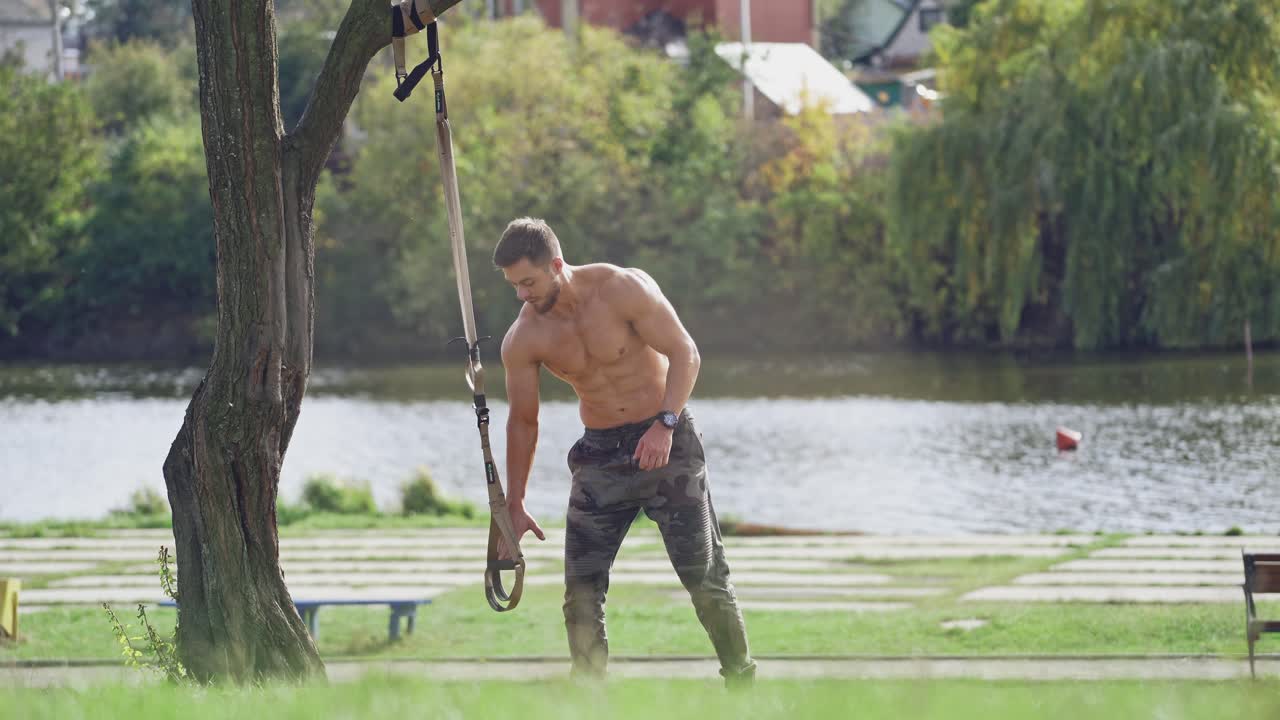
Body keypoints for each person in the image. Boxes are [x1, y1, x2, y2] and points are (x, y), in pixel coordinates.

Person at [493, 217, 756, 687]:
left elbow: (685, 353)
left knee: (706, 580)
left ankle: (742, 684)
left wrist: (666, 423)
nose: (521, 295)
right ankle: (590, 698)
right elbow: (524, 421)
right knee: (581, 593)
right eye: (514, 286)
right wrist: (514, 504)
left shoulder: (622, 288)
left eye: (528, 282)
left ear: (556, 265)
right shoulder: (525, 337)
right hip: (599, 457)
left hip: (667, 444)